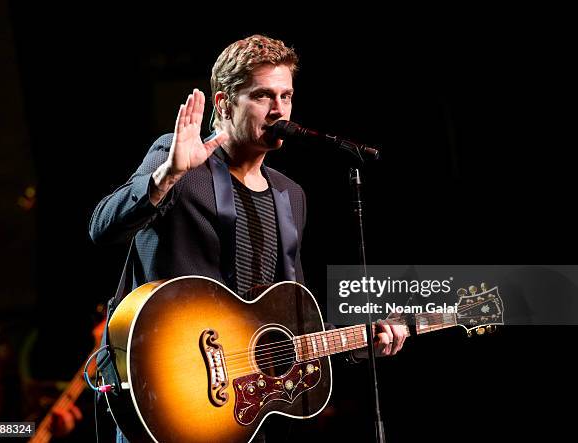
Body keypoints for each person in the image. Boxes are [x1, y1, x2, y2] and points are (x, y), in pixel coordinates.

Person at [89, 34, 406, 442]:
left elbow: (291, 323)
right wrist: (167, 176)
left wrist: (363, 340)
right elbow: (102, 228)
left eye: (286, 95)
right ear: (223, 104)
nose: (279, 110)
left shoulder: (291, 195)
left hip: (239, 413)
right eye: (263, 96)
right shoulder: (177, 162)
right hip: (167, 397)